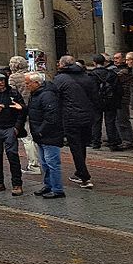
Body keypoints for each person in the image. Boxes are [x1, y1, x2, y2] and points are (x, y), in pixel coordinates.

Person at [53, 55, 101, 188]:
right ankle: (80, 172)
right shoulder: (87, 77)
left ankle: (84, 175)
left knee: (75, 146)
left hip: (70, 117)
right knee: (82, 145)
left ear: (62, 65)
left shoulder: (60, 79)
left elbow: (55, 99)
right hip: (87, 116)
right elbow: (95, 97)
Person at [25, 71, 65, 198]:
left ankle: (57, 189)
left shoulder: (47, 95)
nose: (26, 86)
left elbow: (51, 117)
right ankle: (48, 185)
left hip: (49, 135)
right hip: (41, 135)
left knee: (52, 163)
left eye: (28, 83)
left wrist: (40, 131)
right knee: (45, 163)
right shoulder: (36, 94)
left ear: (36, 83)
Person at [8, 55, 42, 174]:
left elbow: (10, 94)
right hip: (35, 109)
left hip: (21, 110)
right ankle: (40, 162)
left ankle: (34, 165)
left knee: (27, 139)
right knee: (36, 137)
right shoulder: (33, 75)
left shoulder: (14, 77)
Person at [89, 54, 122, 150]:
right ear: (104, 62)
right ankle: (113, 143)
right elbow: (118, 89)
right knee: (110, 122)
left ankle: (96, 142)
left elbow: (89, 89)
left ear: (94, 63)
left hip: (96, 101)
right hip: (110, 101)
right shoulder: (111, 74)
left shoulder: (91, 75)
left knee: (96, 121)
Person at [111, 52, 133, 150]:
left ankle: (127, 140)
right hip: (117, 98)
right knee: (118, 120)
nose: (115, 60)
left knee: (122, 120)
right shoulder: (116, 70)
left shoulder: (125, 71)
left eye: (117, 58)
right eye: (114, 58)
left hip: (122, 98)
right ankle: (123, 139)